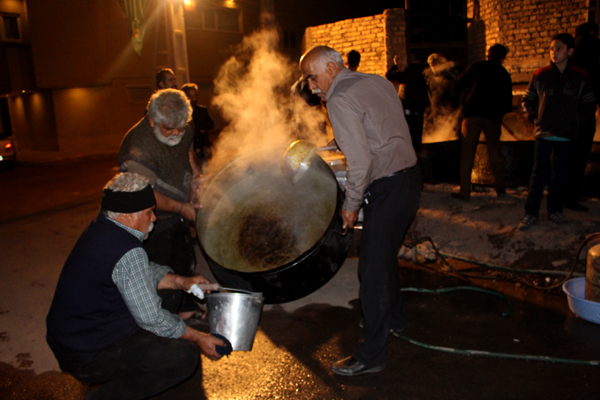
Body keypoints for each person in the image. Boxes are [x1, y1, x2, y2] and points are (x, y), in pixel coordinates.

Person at [46, 172, 224, 400]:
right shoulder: (128, 251)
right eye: (149, 212)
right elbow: (151, 317)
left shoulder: (104, 226)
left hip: (70, 336)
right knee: (184, 356)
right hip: (86, 352)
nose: (154, 218)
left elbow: (140, 273)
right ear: (130, 215)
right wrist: (199, 338)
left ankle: (146, 348)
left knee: (170, 295)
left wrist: (181, 282)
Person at [300, 45, 421, 376]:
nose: (311, 86)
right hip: (410, 179)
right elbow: (380, 127)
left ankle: (371, 355)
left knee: (371, 271)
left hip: (387, 187)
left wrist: (351, 205)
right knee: (384, 257)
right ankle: (394, 318)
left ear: (330, 69)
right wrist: (339, 141)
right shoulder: (377, 81)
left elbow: (361, 162)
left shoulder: (338, 100)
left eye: (312, 77)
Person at [119, 89, 201, 319]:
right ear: (152, 120)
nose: (177, 133)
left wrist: (196, 176)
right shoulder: (138, 146)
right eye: (169, 129)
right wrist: (182, 208)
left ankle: (188, 310)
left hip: (178, 211)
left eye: (181, 127)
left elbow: (187, 151)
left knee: (185, 260)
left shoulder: (185, 125)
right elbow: (145, 194)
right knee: (161, 269)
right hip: (151, 218)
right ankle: (162, 320)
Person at [518, 33, 595, 231]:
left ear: (570, 51)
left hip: (566, 134)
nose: (554, 52)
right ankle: (531, 213)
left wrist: (576, 122)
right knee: (538, 173)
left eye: (559, 48)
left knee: (559, 174)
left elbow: (589, 104)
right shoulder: (541, 75)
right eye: (552, 48)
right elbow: (527, 100)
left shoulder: (579, 77)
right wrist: (535, 118)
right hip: (544, 133)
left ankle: (555, 210)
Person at [451, 44, 513, 201]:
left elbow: (457, 85)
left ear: (488, 55)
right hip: (493, 116)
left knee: (467, 153)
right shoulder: (504, 73)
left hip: (472, 114)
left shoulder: (476, 66)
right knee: (494, 151)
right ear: (502, 58)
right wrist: (499, 113)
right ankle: (500, 188)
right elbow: (507, 101)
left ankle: (465, 192)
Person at [564, 22, 600, 212]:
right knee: (579, 154)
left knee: (568, 153)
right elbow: (595, 78)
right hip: (583, 111)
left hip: (568, 110)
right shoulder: (591, 48)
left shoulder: (570, 50)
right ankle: (570, 195)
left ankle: (565, 191)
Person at [386, 56, 430, 154]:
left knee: (407, 139)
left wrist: (396, 66)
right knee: (416, 141)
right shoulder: (422, 78)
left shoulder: (408, 75)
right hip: (418, 113)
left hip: (407, 114)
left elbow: (389, 76)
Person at [181, 82, 215, 169]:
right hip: (188, 150)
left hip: (202, 148)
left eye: (195, 95)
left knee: (204, 170)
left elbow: (211, 124)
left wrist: (201, 128)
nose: (193, 98)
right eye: (190, 96)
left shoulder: (202, 110)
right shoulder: (181, 113)